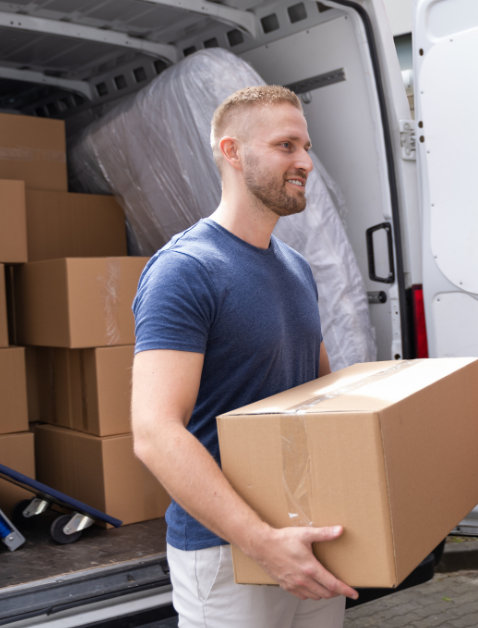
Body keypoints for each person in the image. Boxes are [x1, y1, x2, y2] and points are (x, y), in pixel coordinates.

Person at [131, 85, 358, 628]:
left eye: (306, 146)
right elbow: (155, 433)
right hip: (226, 551)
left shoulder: (298, 269)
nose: (305, 162)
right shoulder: (186, 269)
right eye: (286, 146)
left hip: (307, 539)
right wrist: (262, 542)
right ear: (233, 153)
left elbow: (320, 401)